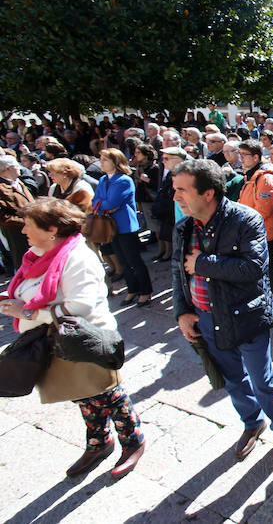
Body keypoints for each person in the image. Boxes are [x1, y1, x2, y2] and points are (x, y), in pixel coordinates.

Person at [1, 197, 145, 478]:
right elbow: (33, 287)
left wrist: (29, 313)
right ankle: (99, 442)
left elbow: (80, 307)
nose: (23, 231)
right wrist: (13, 298)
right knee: (82, 396)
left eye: (29, 225)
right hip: (56, 342)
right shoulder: (38, 254)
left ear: (52, 229)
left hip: (85, 340)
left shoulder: (77, 257)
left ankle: (133, 441)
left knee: (108, 395)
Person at [171, 159, 273, 467]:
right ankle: (252, 422)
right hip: (207, 318)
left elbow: (254, 269)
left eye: (182, 191)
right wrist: (183, 312)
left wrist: (204, 263)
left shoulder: (246, 219)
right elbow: (178, 271)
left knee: (262, 381)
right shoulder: (183, 227)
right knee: (233, 380)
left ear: (209, 193)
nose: (176, 197)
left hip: (248, 318)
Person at [93, 149, 152, 307]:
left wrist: (103, 205)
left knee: (134, 260)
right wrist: (103, 205)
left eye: (105, 159)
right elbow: (95, 202)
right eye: (101, 159)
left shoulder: (123, 180)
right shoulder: (103, 180)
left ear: (115, 162)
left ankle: (145, 291)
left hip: (125, 226)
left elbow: (112, 203)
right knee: (122, 261)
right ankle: (132, 289)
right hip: (110, 227)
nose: (102, 162)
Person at [237, 139, 273, 303]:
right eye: (240, 154)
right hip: (253, 229)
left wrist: (244, 225)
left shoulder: (265, 178)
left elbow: (264, 209)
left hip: (264, 231)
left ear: (256, 157)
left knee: (268, 268)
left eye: (245, 155)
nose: (241, 158)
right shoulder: (252, 176)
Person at [0, 154, 35, 270]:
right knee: (24, 265)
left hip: (35, 229)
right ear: (7, 169)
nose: (19, 168)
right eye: (16, 165)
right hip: (17, 234)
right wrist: (26, 223)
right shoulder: (2, 187)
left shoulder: (17, 182)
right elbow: (3, 217)